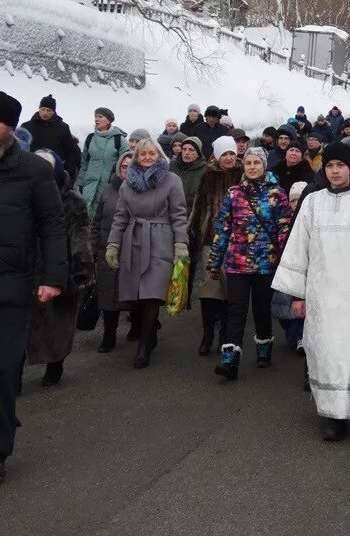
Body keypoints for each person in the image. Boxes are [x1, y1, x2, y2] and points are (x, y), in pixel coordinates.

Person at [0, 92, 67, 484]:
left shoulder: (33, 171)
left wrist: (53, 278)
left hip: (7, 289)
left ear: (10, 128)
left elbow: (52, 225)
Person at [272, 142, 350, 440]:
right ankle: (328, 411)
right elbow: (298, 249)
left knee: (346, 352)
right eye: (331, 166)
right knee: (320, 350)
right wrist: (297, 295)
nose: (335, 171)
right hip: (320, 292)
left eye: (341, 166)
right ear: (324, 169)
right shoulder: (312, 202)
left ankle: (339, 415)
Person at [105, 139, 189, 369]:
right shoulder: (126, 184)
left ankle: (143, 346)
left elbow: (179, 215)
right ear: (136, 157)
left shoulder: (172, 181)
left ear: (159, 155)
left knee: (152, 295)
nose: (147, 157)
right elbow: (120, 217)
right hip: (133, 240)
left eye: (152, 153)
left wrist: (181, 244)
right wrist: (113, 244)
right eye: (143, 154)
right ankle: (149, 333)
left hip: (161, 239)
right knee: (135, 298)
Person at [209, 148, 291, 380]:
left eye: (257, 163)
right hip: (237, 263)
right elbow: (223, 229)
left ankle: (264, 349)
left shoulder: (277, 193)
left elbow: (284, 229)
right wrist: (215, 262)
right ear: (243, 167)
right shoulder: (234, 194)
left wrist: (286, 261)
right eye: (248, 163)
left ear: (264, 166)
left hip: (266, 264)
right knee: (235, 310)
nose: (252, 167)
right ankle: (230, 360)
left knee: (261, 310)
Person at [26, 150, 93, 387]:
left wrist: (81, 267)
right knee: (23, 324)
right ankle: (13, 372)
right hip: (25, 268)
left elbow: (80, 235)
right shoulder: (22, 195)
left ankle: (56, 362)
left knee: (58, 322)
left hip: (59, 267)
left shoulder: (73, 201)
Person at [189, 137, 243, 356]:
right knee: (209, 289)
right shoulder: (208, 175)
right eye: (224, 154)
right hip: (211, 240)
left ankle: (224, 335)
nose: (229, 158)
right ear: (217, 156)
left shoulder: (243, 174)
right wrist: (195, 230)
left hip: (236, 242)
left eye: (231, 153)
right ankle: (207, 333)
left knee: (230, 291)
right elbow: (198, 206)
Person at [92, 151, 133, 353]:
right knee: (108, 296)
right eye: (123, 166)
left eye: (130, 166)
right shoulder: (108, 190)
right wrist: (92, 247)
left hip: (132, 251)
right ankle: (109, 335)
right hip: (106, 250)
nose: (126, 169)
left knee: (132, 293)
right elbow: (97, 222)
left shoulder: (141, 190)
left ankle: (138, 328)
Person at [78, 107, 127, 219]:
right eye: (95, 116)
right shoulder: (90, 138)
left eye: (100, 117)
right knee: (85, 212)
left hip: (109, 184)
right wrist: (81, 182)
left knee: (102, 215)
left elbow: (125, 164)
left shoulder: (119, 140)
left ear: (109, 120)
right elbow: (85, 161)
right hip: (89, 184)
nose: (96, 119)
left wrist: (117, 182)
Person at [21, 95, 78, 182]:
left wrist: (69, 174)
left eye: (49, 110)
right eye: (43, 109)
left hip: (54, 173)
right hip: (30, 171)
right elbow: (20, 150)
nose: (45, 113)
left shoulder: (63, 127)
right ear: (39, 109)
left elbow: (70, 152)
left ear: (54, 111)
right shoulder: (27, 126)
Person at [169, 137, 207, 212]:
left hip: (193, 213)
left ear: (198, 154)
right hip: (171, 211)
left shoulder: (205, 170)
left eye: (191, 150)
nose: (186, 152)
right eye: (184, 149)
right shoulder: (172, 165)